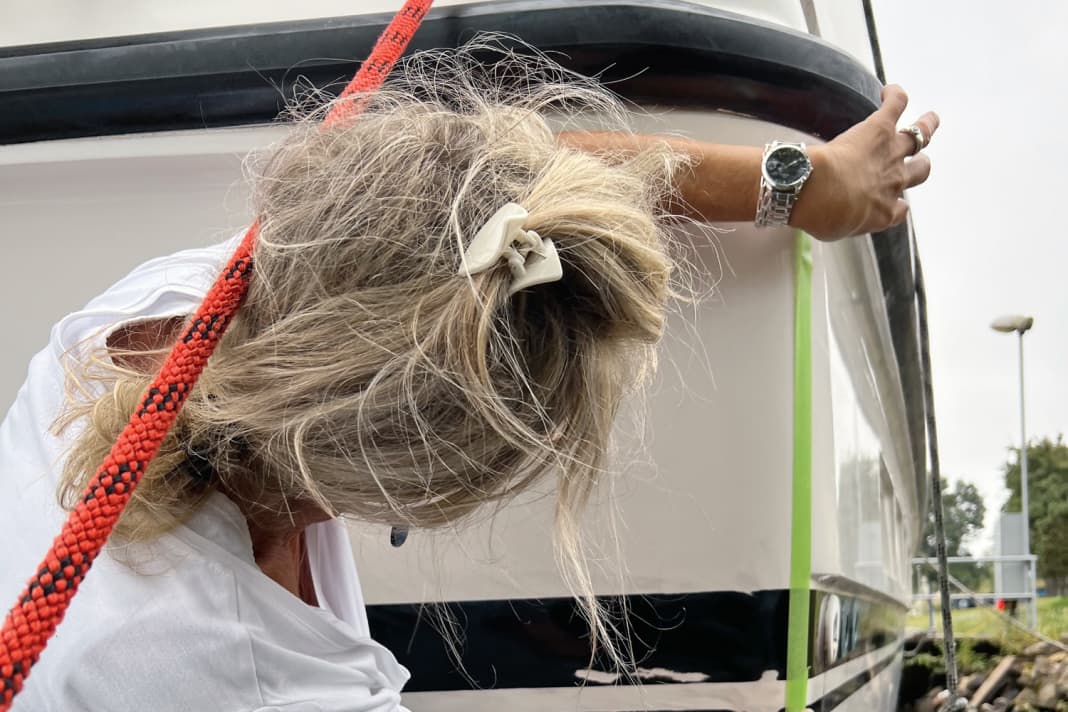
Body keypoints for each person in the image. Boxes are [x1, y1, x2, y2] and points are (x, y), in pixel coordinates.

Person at [0, 47, 938, 711]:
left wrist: (794, 182)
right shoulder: (265, 686)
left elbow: (489, 203)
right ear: (424, 494)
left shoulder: (174, 312)